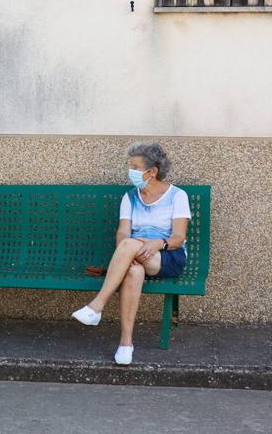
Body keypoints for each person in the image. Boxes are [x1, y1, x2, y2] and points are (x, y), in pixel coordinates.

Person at [71, 142, 191, 365]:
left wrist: (157, 243)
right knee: (133, 270)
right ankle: (126, 344)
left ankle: (97, 306)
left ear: (152, 171)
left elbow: (178, 238)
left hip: (166, 256)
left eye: (135, 167)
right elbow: (122, 232)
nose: (131, 171)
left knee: (128, 245)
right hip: (135, 256)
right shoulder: (130, 197)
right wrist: (131, 250)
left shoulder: (177, 196)